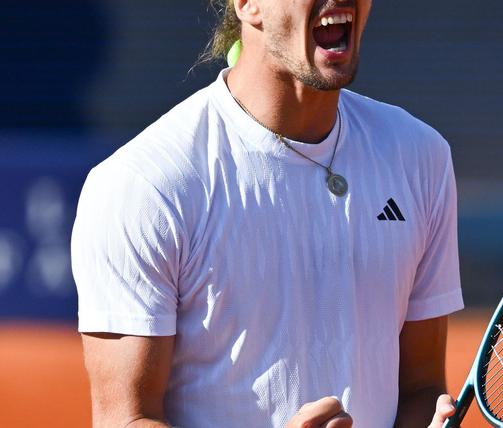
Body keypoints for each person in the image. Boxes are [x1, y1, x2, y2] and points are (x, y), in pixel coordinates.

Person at [71, 0, 464, 426]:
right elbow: (126, 419)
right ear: (247, 5)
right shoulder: (144, 185)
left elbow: (422, 387)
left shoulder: (420, 157)